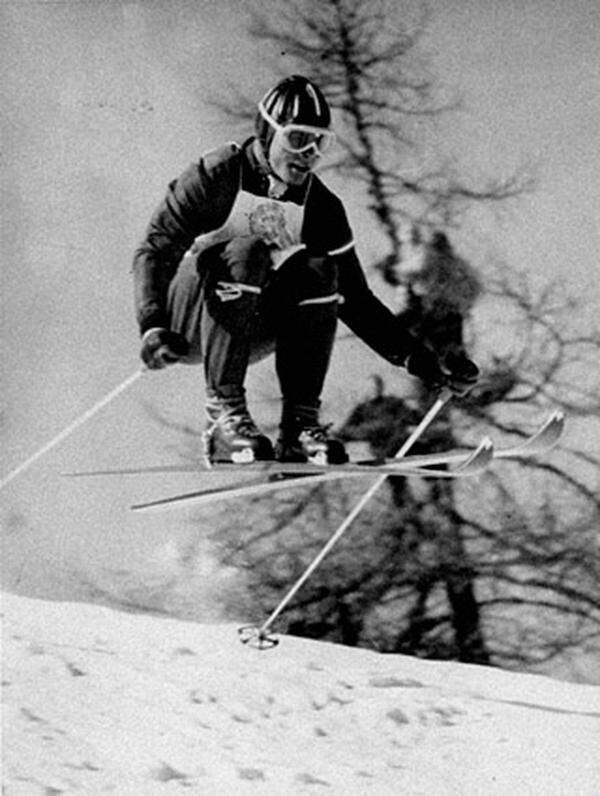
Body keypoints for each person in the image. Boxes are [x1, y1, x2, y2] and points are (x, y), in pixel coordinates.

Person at [132, 75, 479, 465]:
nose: (309, 153)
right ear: (267, 133)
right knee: (248, 252)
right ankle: (223, 417)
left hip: (248, 326)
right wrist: (152, 325)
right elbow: (156, 249)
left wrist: (425, 362)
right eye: (298, 139)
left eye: (320, 143)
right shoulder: (218, 175)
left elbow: (357, 302)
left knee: (319, 269)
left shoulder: (322, 208)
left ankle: (298, 427)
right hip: (190, 317)